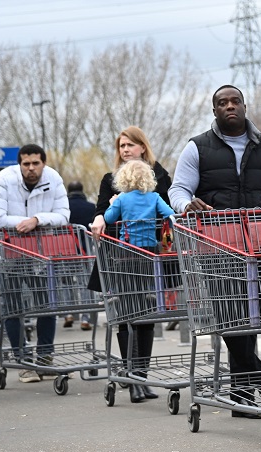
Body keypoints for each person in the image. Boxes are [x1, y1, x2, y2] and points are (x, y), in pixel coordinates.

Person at [169, 84, 261, 417]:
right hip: (214, 245)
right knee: (229, 315)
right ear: (214, 110)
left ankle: (241, 394)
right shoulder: (196, 148)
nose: (230, 106)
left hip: (258, 244)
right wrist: (187, 204)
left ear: (245, 106)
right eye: (222, 103)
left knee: (246, 313)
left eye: (235, 101)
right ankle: (259, 379)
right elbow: (178, 189)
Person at [89, 126, 172, 403]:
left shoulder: (158, 177)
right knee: (128, 313)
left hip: (151, 253)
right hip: (120, 255)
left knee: (146, 314)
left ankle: (141, 375)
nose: (125, 150)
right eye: (121, 146)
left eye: (130, 145)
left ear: (143, 148)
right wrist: (102, 214)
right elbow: (102, 210)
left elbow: (168, 212)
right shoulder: (110, 180)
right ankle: (130, 373)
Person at [0, 144, 70, 383]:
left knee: (46, 305)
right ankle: (23, 360)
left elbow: (64, 214)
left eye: (36, 163)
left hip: (39, 253)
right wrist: (24, 222)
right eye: (26, 164)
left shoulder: (53, 178)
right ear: (19, 164)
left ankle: (44, 358)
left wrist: (37, 220)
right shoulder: (4, 179)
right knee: (14, 308)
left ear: (43, 162)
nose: (31, 168)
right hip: (8, 252)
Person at [65, 181, 97, 331]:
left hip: (66, 251)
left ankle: (68, 313)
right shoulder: (91, 207)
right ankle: (85, 318)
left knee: (66, 283)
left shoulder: (63, 208)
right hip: (86, 252)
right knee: (85, 284)